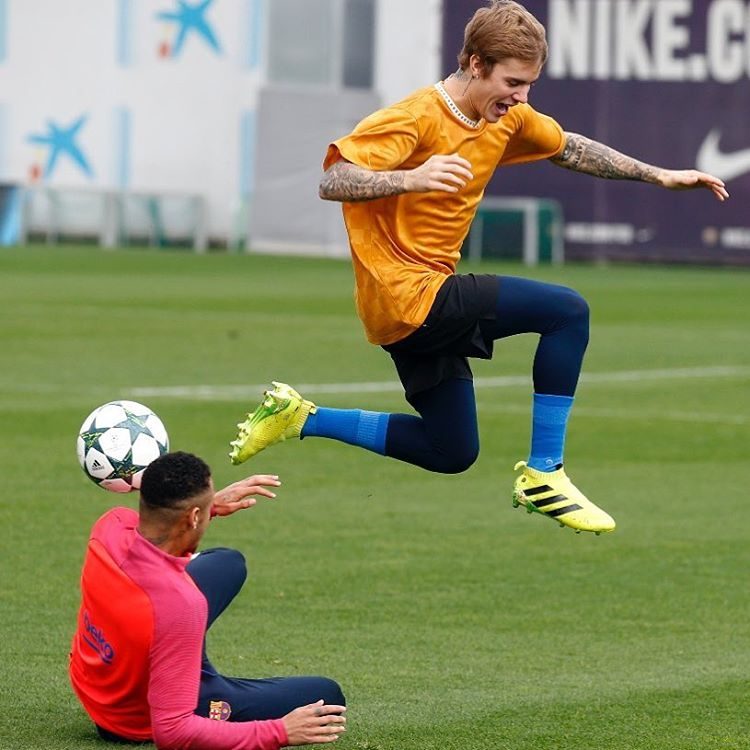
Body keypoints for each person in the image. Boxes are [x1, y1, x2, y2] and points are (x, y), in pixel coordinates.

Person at [228, 0, 728, 535]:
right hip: (409, 295)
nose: (522, 97)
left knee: (451, 450)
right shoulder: (415, 118)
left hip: (410, 310)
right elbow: (333, 180)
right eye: (513, 82)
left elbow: (568, 148)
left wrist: (658, 175)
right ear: (474, 64)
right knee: (567, 312)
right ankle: (544, 472)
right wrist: (410, 178)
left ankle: (299, 417)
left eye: (529, 85)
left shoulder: (506, 118)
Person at [69, 451, 346, 749]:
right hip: (131, 719)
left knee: (228, 563)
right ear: (193, 517)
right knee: (327, 697)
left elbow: (161, 531)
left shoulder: (110, 526)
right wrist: (279, 731)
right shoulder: (181, 606)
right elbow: (173, 732)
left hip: (97, 682)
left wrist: (208, 506)